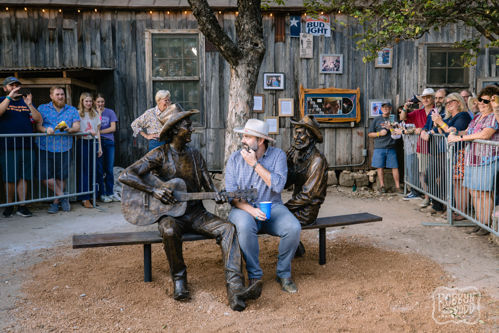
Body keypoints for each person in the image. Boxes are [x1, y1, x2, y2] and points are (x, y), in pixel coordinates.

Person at [119, 104, 258, 311]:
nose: (191, 130)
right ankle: (179, 279)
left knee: (228, 229)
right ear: (176, 130)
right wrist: (153, 191)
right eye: (188, 126)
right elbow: (126, 175)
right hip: (172, 215)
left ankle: (236, 288)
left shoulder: (195, 155)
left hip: (196, 213)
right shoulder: (159, 154)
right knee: (168, 229)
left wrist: (218, 194)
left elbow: (208, 185)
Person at [225, 119, 301, 296]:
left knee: (293, 228)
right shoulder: (235, 159)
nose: (243, 140)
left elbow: (277, 186)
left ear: (260, 140)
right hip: (244, 209)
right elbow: (231, 195)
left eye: (247, 136)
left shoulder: (278, 156)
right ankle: (255, 275)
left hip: (272, 206)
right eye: (243, 136)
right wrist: (251, 210)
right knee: (244, 226)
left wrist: (255, 164)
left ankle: (283, 274)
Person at [448, 85, 499, 236]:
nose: (481, 103)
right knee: (474, 191)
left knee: (483, 192)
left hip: (486, 159)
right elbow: (470, 132)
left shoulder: (494, 117)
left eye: (486, 100)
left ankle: (485, 223)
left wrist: (460, 138)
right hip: (472, 158)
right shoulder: (477, 117)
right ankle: (478, 221)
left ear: (493, 102)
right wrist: (456, 131)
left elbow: (485, 135)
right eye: (480, 100)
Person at [0, 77, 42, 217]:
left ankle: (22, 206)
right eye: (12, 85)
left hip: (27, 145)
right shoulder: (2, 100)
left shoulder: (26, 102)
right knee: (10, 178)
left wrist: (30, 104)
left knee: (24, 177)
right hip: (8, 146)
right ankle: (9, 205)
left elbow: (38, 119)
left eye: (17, 85)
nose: (15, 87)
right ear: (5, 88)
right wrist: (9, 98)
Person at [36, 86, 80, 214]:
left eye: (62, 94)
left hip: (64, 147)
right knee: (44, 177)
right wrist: (46, 130)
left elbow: (77, 126)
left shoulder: (72, 110)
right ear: (51, 96)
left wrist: (69, 129)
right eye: (57, 94)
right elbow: (38, 126)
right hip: (45, 147)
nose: (60, 97)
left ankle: (56, 202)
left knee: (61, 176)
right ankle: (62, 196)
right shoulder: (42, 108)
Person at [431, 93, 472, 220]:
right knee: (456, 182)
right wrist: (438, 123)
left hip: (461, 151)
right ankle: (456, 210)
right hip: (454, 152)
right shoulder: (451, 117)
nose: (448, 104)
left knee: (460, 183)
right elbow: (444, 132)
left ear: (459, 102)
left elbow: (453, 132)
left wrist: (440, 123)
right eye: (446, 103)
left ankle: (461, 212)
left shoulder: (462, 115)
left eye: (451, 102)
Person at [285, 115, 328, 225]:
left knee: (274, 221)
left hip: (306, 212)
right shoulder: (299, 156)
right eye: (296, 133)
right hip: (295, 206)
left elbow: (308, 195)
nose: (296, 137)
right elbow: (286, 184)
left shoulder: (318, 160)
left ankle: (293, 242)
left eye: (301, 133)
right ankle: (294, 242)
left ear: (311, 136)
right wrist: (287, 164)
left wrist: (283, 208)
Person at [400, 88, 435, 206]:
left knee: (437, 173)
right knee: (423, 172)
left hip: (437, 146)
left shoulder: (438, 110)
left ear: (433, 98)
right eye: (424, 98)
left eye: (428, 97)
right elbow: (403, 118)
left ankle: (436, 198)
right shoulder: (418, 112)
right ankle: (427, 197)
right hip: (423, 146)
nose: (425, 99)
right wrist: (405, 107)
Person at [420, 88, 448, 214]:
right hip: (435, 150)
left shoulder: (448, 112)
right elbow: (426, 126)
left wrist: (430, 132)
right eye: (436, 98)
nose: (438, 100)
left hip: (446, 151)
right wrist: (423, 131)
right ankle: (438, 204)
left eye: (440, 98)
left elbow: (447, 126)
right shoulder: (433, 111)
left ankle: (443, 206)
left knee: (444, 180)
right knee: (429, 177)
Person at [368, 103, 402, 193]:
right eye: (384, 107)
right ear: (381, 109)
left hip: (392, 147)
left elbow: (399, 131)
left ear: (390, 108)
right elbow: (370, 134)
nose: (386, 109)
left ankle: (398, 187)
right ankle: (382, 186)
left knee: (395, 167)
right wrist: (379, 133)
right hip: (379, 147)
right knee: (380, 167)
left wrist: (391, 128)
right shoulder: (376, 119)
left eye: (387, 107)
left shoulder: (393, 118)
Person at [76, 92, 102, 208]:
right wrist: (85, 133)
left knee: (93, 169)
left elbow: (97, 131)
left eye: (90, 101)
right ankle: (84, 197)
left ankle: (93, 195)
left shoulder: (95, 114)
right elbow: (76, 130)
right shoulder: (78, 114)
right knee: (84, 170)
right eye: (86, 101)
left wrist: (100, 146)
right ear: (82, 102)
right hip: (83, 142)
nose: (88, 103)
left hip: (93, 142)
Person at [95, 93, 119, 202]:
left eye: (102, 101)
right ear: (95, 102)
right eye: (98, 101)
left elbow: (113, 128)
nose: (100, 104)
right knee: (99, 169)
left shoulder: (110, 112)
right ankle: (102, 193)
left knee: (109, 168)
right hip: (97, 142)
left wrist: (99, 131)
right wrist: (99, 114)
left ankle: (110, 192)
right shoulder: (92, 113)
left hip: (109, 142)